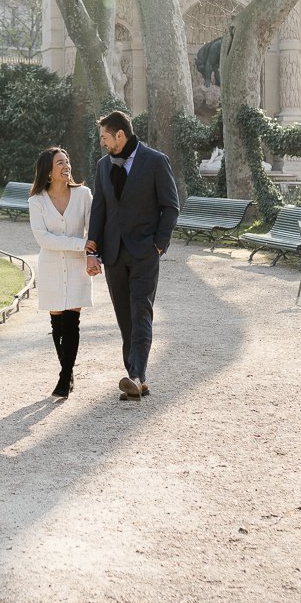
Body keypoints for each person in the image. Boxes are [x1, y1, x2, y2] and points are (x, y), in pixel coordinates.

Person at [84, 110, 180, 402]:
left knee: (141, 312)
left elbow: (171, 207)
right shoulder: (103, 166)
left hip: (144, 253)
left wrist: (159, 245)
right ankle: (138, 377)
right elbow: (99, 210)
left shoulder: (155, 161)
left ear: (120, 135)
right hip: (113, 254)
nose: (102, 143)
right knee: (124, 316)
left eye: (105, 138)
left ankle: (136, 375)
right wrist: (93, 251)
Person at [28, 147, 95, 399]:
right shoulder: (36, 201)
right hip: (51, 268)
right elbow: (44, 238)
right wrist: (80, 244)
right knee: (57, 323)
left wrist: (92, 255)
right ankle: (67, 372)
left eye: (67, 161)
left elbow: (93, 229)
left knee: (72, 322)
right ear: (48, 171)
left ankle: (64, 377)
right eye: (59, 163)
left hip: (78, 267)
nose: (66, 166)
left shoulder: (83, 195)